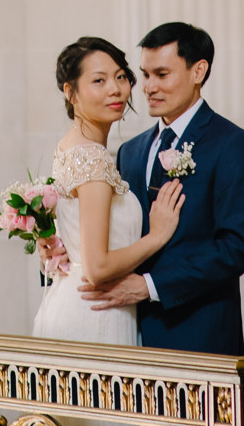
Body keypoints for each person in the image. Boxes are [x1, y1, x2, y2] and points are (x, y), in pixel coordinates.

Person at [82, 21, 244, 354]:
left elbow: (235, 248)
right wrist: (59, 254)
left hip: (198, 337)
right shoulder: (131, 151)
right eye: (145, 75)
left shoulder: (232, 146)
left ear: (198, 71)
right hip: (126, 333)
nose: (149, 87)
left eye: (162, 74)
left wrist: (150, 287)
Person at [33, 35, 185, 346]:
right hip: (94, 313)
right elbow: (97, 267)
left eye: (120, 77)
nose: (115, 89)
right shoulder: (92, 159)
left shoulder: (71, 146)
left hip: (74, 300)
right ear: (70, 92)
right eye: (98, 80)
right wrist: (156, 236)